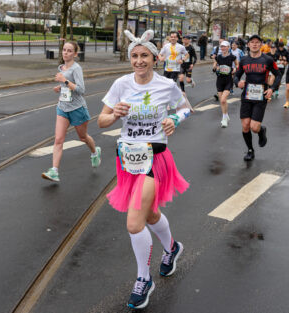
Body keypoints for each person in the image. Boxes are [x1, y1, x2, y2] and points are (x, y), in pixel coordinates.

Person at [98, 29, 189, 310]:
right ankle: (172, 248)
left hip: (155, 158)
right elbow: (101, 121)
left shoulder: (166, 85)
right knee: (149, 214)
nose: (139, 61)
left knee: (134, 222)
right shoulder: (121, 85)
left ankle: (143, 279)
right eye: (135, 56)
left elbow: (185, 108)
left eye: (144, 56)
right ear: (130, 59)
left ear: (155, 58)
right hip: (127, 160)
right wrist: (114, 115)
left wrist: (175, 119)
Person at [41, 41, 101, 182]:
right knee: (58, 140)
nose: (65, 53)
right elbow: (66, 86)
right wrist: (60, 87)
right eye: (64, 50)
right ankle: (54, 171)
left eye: (69, 51)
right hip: (63, 107)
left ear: (75, 54)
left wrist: (65, 81)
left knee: (83, 137)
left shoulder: (76, 69)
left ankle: (94, 152)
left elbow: (81, 90)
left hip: (77, 109)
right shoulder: (61, 67)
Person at [233, 34, 281, 162]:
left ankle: (261, 131)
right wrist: (237, 83)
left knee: (254, 127)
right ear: (248, 45)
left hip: (261, 96)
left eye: (257, 42)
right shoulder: (244, 60)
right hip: (247, 95)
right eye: (252, 42)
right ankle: (250, 150)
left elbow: (278, 74)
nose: (254, 44)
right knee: (245, 125)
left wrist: (272, 89)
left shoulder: (268, 60)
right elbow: (236, 75)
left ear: (261, 45)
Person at [213, 40, 238, 127]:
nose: (223, 48)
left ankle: (224, 118)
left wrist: (234, 70)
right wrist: (216, 68)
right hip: (219, 80)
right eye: (222, 46)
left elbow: (237, 66)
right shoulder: (218, 57)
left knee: (223, 99)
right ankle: (226, 115)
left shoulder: (232, 57)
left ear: (228, 47)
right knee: (222, 101)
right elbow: (214, 67)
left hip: (228, 80)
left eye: (224, 46)